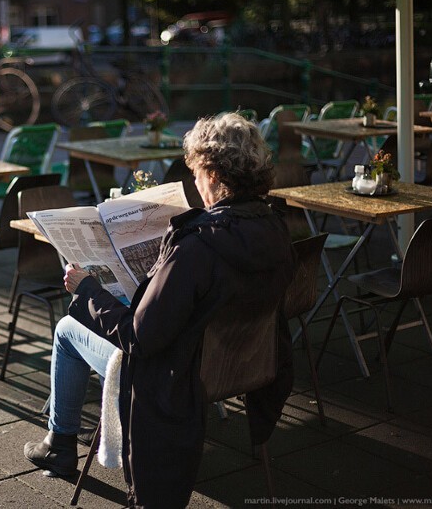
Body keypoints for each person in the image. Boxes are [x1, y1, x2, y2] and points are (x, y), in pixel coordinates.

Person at [23, 113, 296, 508]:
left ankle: (59, 444)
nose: (196, 183)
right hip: (244, 365)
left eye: (198, 174)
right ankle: (58, 440)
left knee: (68, 328)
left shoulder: (197, 247)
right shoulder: (274, 226)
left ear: (216, 177)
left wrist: (86, 291)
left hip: (177, 376)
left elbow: (139, 338)